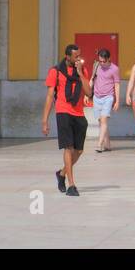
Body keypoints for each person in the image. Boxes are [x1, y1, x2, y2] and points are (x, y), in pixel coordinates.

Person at [41, 44, 93, 197]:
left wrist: (80, 73)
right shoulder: (55, 71)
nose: (79, 59)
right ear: (68, 56)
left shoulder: (82, 70)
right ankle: (71, 185)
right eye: (76, 56)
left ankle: (62, 173)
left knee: (79, 150)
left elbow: (89, 93)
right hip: (63, 111)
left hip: (78, 113)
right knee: (68, 148)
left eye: (80, 56)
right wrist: (45, 120)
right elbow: (50, 96)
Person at [91, 48, 120, 153]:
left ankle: (99, 144)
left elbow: (117, 84)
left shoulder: (114, 69)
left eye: (104, 61)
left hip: (108, 97)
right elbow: (92, 79)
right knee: (101, 121)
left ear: (109, 59)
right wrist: (87, 94)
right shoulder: (96, 66)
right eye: (100, 61)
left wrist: (117, 101)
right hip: (97, 97)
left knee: (103, 120)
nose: (102, 63)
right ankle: (107, 144)